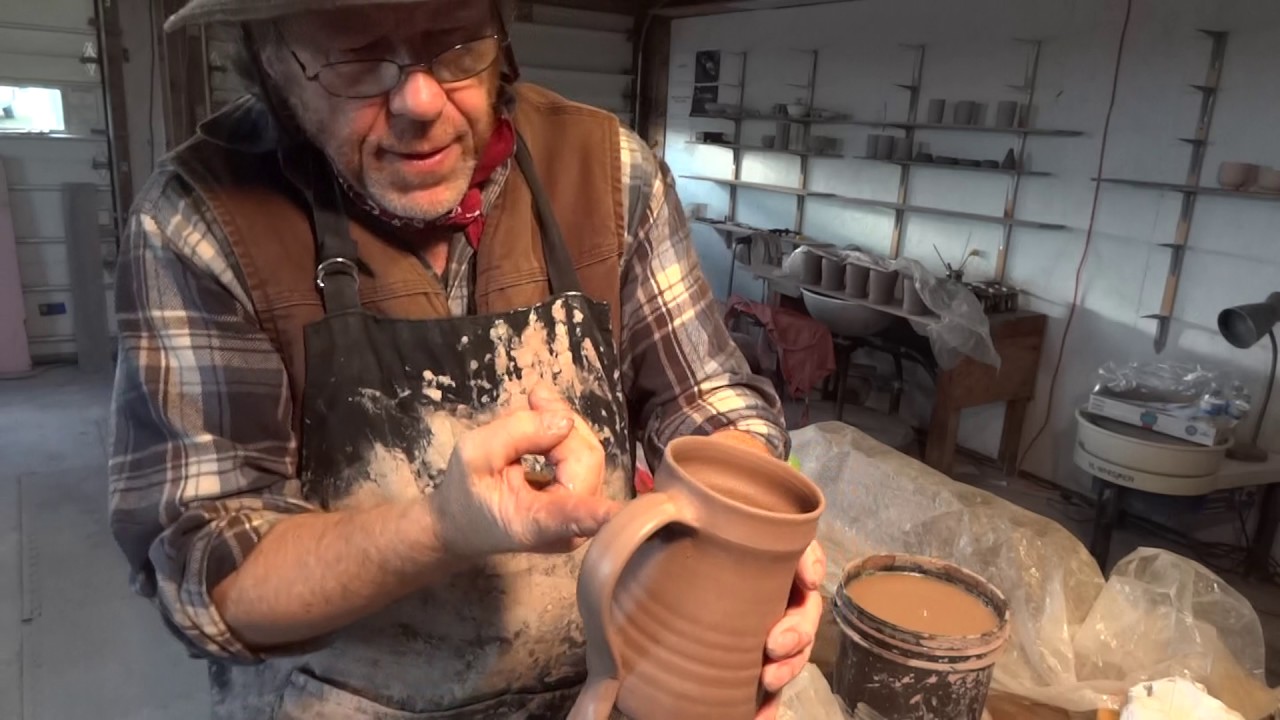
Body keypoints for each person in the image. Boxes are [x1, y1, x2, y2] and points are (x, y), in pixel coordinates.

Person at [108, 0, 825, 717]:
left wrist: (753, 547)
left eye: (452, 45)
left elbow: (707, 396)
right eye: (357, 58)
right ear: (270, 59)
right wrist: (438, 529)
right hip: (344, 700)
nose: (419, 100)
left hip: (607, 682)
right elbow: (209, 573)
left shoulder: (613, 174)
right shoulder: (198, 222)